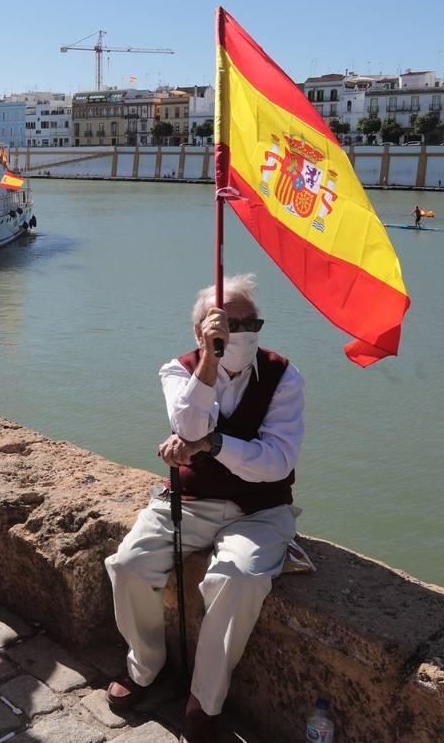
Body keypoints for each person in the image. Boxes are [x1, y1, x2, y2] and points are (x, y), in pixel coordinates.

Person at [104, 275, 304, 743]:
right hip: (189, 500)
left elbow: (275, 463)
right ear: (202, 330)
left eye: (251, 321)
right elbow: (187, 422)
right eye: (229, 323)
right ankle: (144, 667)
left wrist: (211, 443)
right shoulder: (178, 370)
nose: (245, 331)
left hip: (261, 510)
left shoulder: (284, 376)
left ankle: (204, 700)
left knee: (240, 579)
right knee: (128, 565)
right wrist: (209, 365)